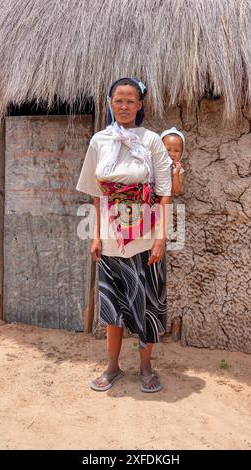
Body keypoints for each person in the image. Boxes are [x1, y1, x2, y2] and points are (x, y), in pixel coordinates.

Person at [76, 77, 172, 393]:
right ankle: (113, 368)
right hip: (111, 239)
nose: (125, 106)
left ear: (140, 104)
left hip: (145, 238)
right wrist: (95, 235)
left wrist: (160, 238)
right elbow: (95, 192)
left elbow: (164, 192)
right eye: (119, 99)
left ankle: (146, 368)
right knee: (112, 306)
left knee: (145, 305)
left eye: (131, 100)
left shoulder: (152, 141)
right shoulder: (99, 141)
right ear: (110, 102)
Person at [160, 127, 185, 195]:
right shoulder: (153, 164)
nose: (172, 154)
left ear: (182, 153)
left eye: (177, 151)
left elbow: (175, 190)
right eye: (168, 149)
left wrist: (175, 174)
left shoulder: (178, 169)